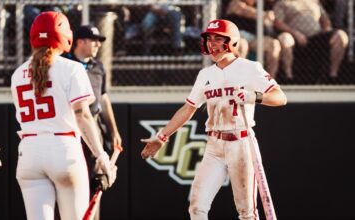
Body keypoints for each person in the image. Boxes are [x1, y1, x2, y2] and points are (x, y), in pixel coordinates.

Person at [141, 19, 287, 220]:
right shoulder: (205, 74)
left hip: (241, 142)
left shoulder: (250, 68)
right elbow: (188, 108)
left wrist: (255, 96)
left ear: (233, 42)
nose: (212, 44)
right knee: (197, 207)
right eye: (209, 39)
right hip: (214, 146)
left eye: (219, 39)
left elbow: (281, 97)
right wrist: (162, 136)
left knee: (247, 212)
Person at [10, 11, 117, 220]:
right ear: (63, 35)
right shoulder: (72, 69)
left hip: (28, 154)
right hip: (64, 150)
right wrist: (101, 155)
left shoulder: (17, 74)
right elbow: (82, 116)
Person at [62, 25, 123, 220]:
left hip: (94, 126)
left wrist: (114, 131)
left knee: (97, 180)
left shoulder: (98, 66)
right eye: (94, 39)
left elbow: (103, 98)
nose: (98, 44)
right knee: (69, 181)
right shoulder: (64, 65)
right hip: (70, 127)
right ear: (80, 41)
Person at [273, 0, 349, 82]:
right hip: (294, 37)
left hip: (316, 37)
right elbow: (278, 23)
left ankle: (333, 76)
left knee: (341, 35)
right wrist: (295, 33)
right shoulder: (283, 3)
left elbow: (325, 20)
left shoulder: (314, 2)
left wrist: (327, 30)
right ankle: (289, 77)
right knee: (285, 38)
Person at [225, 0, 295, 80]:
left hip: (253, 39)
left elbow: (270, 21)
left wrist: (267, 18)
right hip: (237, 37)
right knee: (242, 45)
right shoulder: (235, 3)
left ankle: (269, 82)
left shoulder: (261, 6)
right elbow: (243, 10)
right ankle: (239, 81)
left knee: (274, 44)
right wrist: (264, 15)